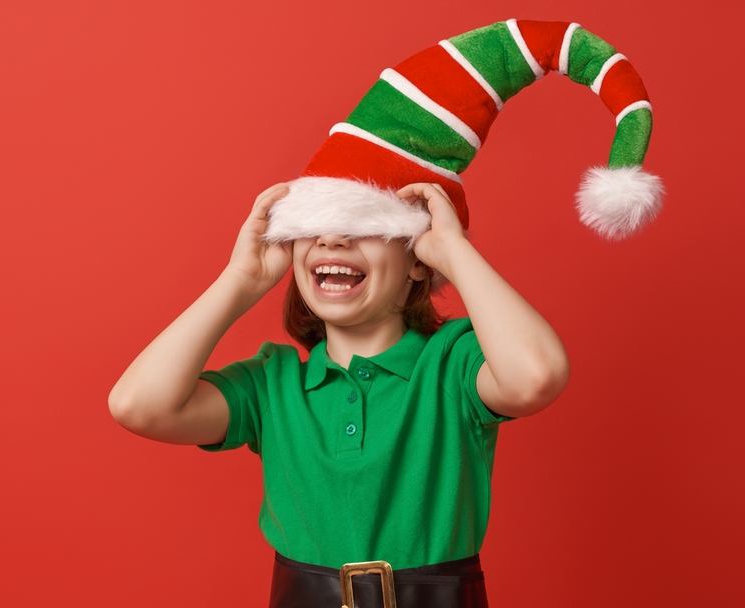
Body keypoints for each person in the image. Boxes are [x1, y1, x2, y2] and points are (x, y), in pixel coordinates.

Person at [110, 19, 660, 608]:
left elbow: (537, 375)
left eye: (364, 226)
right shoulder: (273, 386)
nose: (333, 240)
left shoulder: (453, 366)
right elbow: (138, 405)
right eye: (313, 229)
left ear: (418, 260)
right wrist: (238, 282)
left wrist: (454, 251)